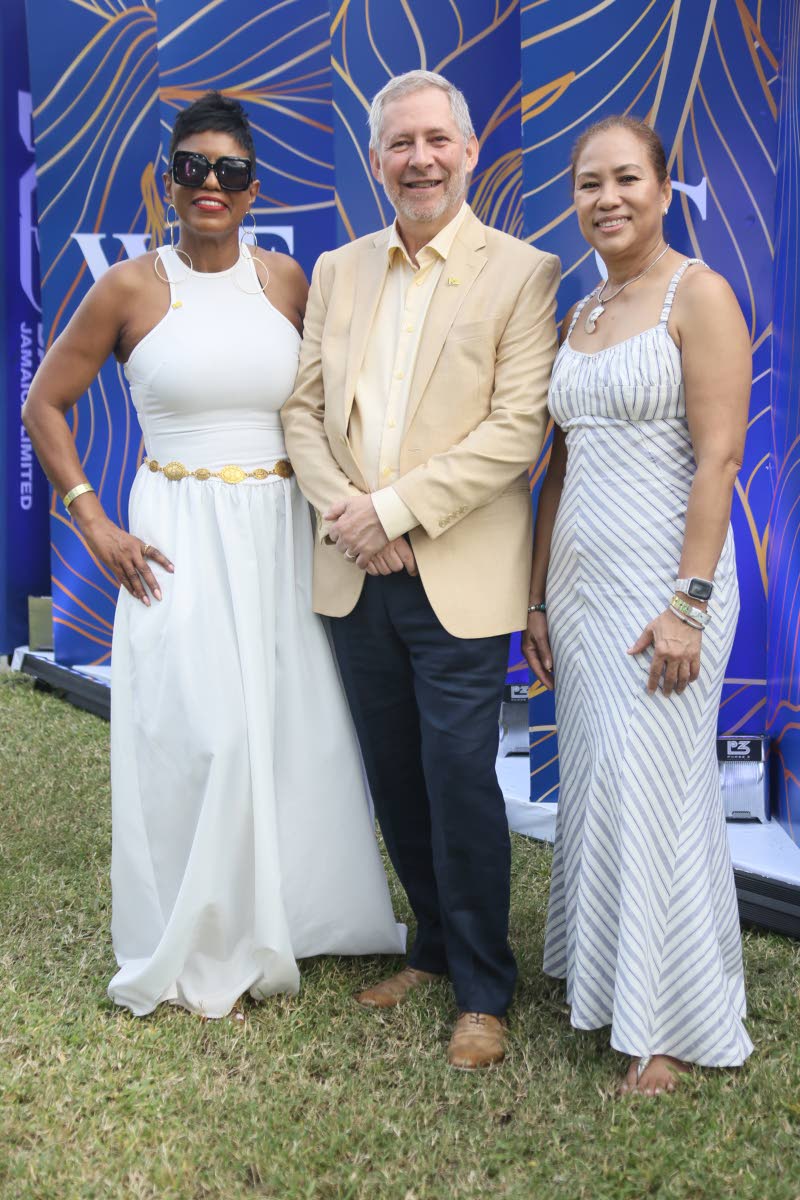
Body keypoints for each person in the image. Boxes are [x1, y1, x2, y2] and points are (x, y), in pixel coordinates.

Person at [22, 91, 404, 1018]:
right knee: (202, 734)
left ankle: (303, 917)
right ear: (167, 180)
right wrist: (91, 519)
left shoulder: (286, 282)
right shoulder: (128, 289)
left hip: (280, 533)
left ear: (253, 188)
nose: (210, 184)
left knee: (293, 728)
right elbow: (43, 405)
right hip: (176, 536)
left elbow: (328, 406)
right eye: (193, 166)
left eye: (230, 171)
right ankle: (205, 933)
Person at [281, 70, 560, 1069]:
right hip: (355, 572)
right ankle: (435, 952)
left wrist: (393, 510)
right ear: (374, 161)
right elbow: (302, 412)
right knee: (396, 776)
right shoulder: (338, 268)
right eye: (400, 143)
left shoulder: (522, 273)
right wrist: (351, 520)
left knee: (458, 779)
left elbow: (514, 430)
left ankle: (484, 990)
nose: (420, 159)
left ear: (471, 150)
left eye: (437, 140)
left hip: (460, 576)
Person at [522, 115, 754, 1095]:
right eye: (589, 183)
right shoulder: (580, 312)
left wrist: (686, 607)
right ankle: (606, 977)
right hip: (580, 593)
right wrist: (536, 597)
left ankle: (664, 1029)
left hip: (667, 587)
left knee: (656, 788)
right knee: (601, 784)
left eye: (625, 179)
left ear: (663, 189)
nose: (606, 198)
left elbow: (719, 458)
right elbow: (558, 465)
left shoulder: (697, 294)